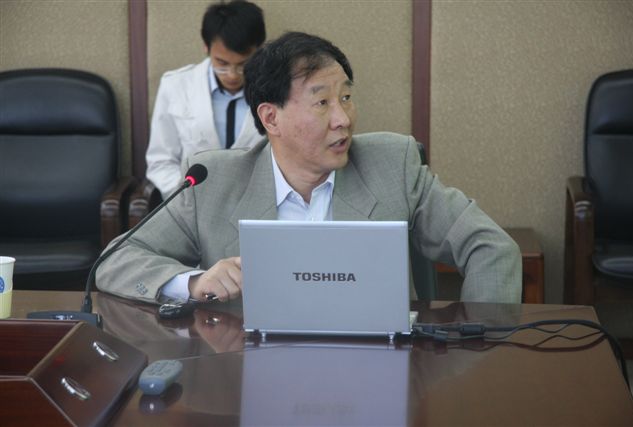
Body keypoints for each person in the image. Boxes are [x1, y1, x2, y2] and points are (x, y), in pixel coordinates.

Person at [97, 32, 522, 304]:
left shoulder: (394, 164)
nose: (343, 119)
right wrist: (193, 283)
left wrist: (478, 345)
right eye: (322, 102)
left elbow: (491, 248)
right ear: (271, 118)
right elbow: (115, 262)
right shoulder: (213, 182)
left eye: (346, 98)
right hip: (249, 376)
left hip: (377, 372)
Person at [146, 0, 266, 199]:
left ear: (259, 50)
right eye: (222, 63)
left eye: (243, 64)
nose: (232, 75)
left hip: (256, 203)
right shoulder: (175, 86)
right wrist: (189, 200)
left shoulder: (277, 89)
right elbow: (161, 162)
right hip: (190, 204)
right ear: (206, 47)